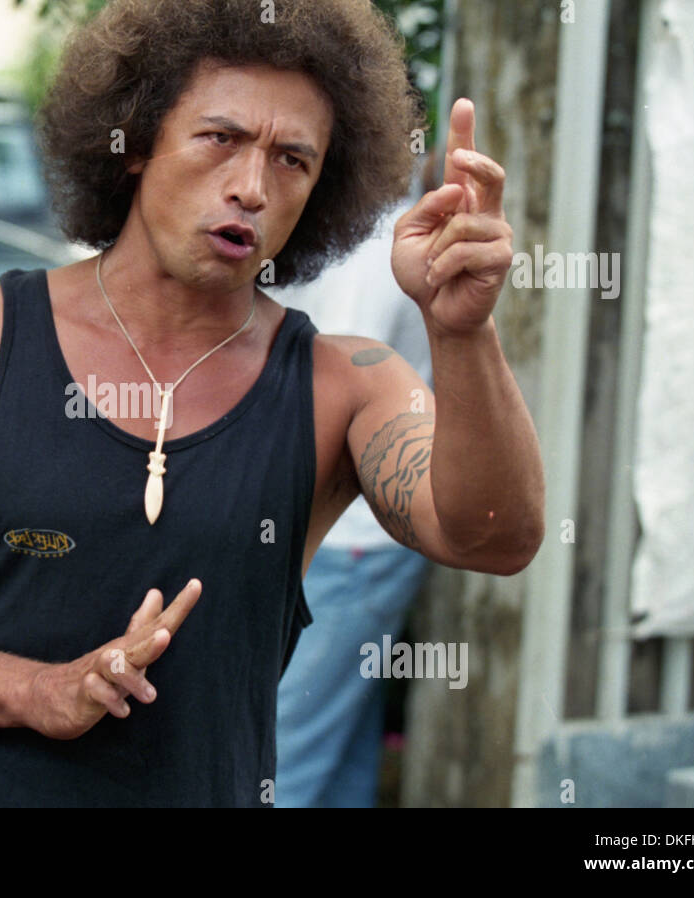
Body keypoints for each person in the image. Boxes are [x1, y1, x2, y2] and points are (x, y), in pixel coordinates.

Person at [0, 0, 544, 807]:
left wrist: (462, 333)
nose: (250, 187)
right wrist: (33, 692)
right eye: (220, 138)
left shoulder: (341, 384)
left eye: (293, 161)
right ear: (133, 141)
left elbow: (493, 537)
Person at [270, 177, 434, 807]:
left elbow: (332, 394)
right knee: (336, 750)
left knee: (282, 758)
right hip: (348, 539)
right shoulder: (344, 226)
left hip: (344, 544)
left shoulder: (376, 239)